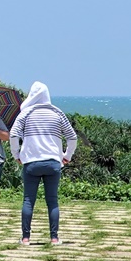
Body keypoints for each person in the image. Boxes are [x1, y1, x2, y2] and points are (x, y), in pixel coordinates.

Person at [8, 82, 78, 245]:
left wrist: (16, 154)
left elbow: (13, 135)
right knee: (52, 200)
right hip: (53, 162)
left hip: (31, 163)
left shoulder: (26, 113)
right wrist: (67, 156)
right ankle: (54, 238)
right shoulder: (57, 113)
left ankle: (25, 238)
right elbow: (72, 137)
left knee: (28, 200)